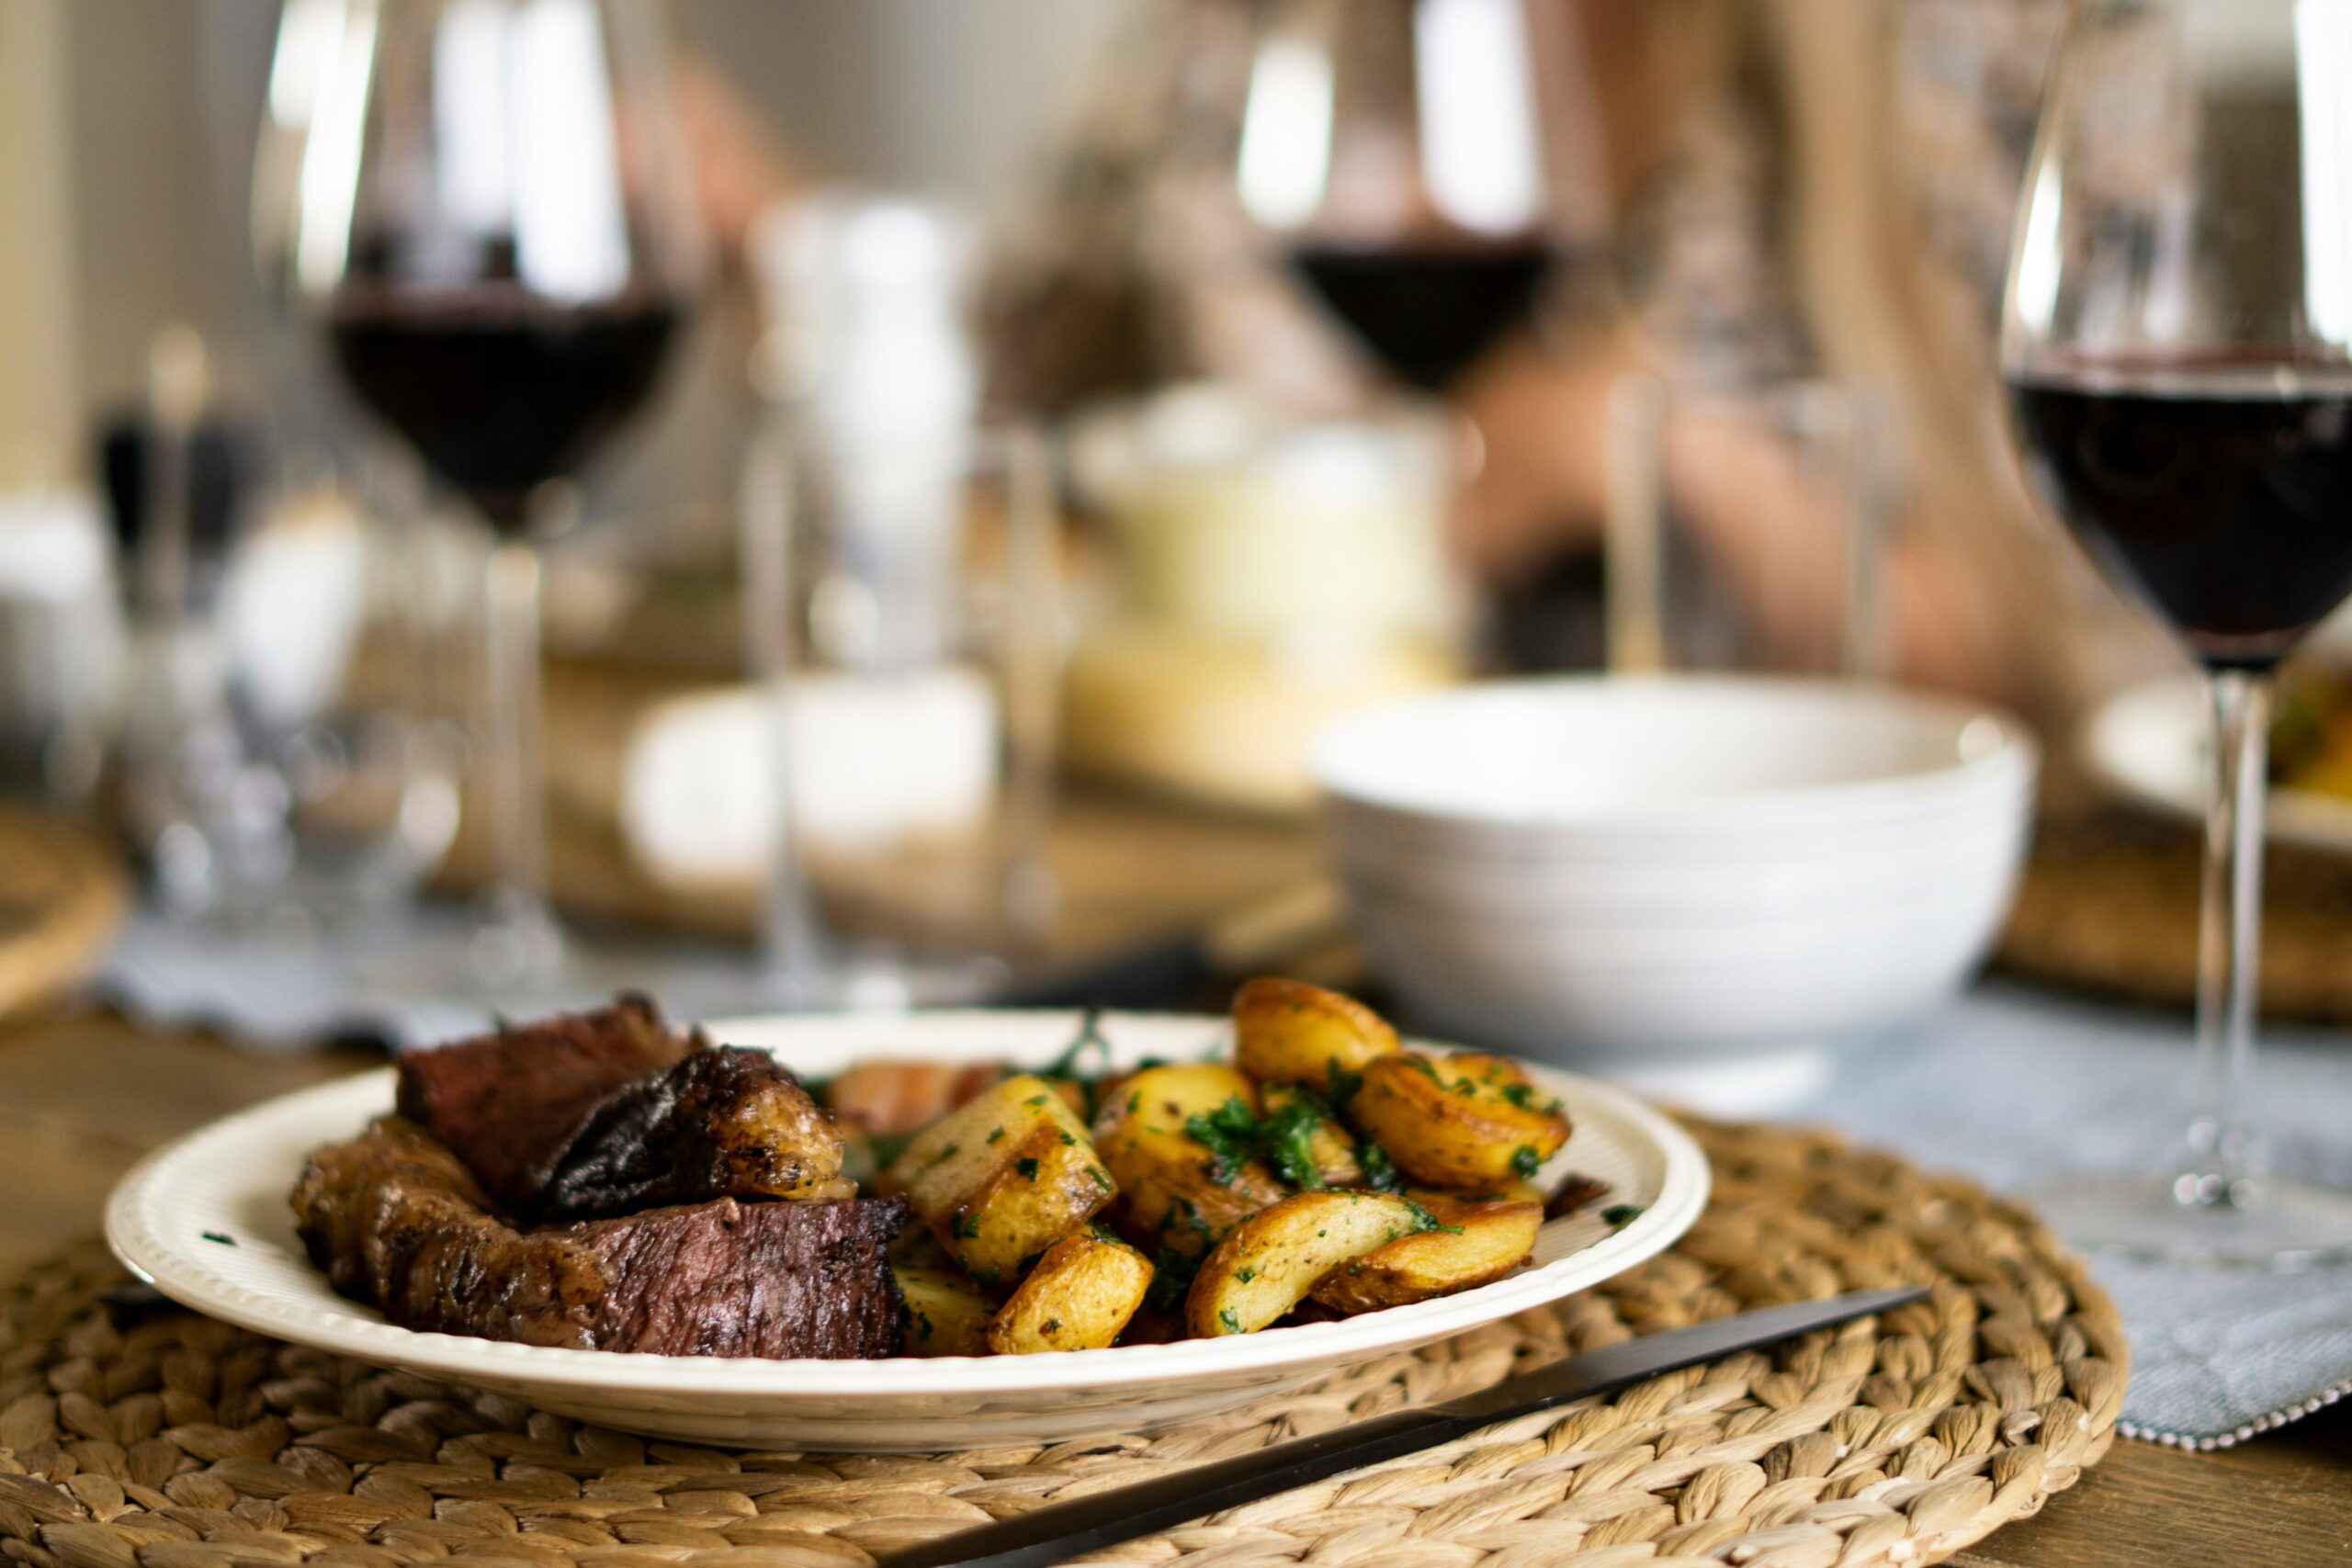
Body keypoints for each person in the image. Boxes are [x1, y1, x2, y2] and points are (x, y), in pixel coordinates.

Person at [981, 0, 2171, 728]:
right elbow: (995, 469)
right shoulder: (1226, 36)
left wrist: (1660, 457)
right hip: (1279, 860)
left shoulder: (1985, 50)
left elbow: (2114, 684)